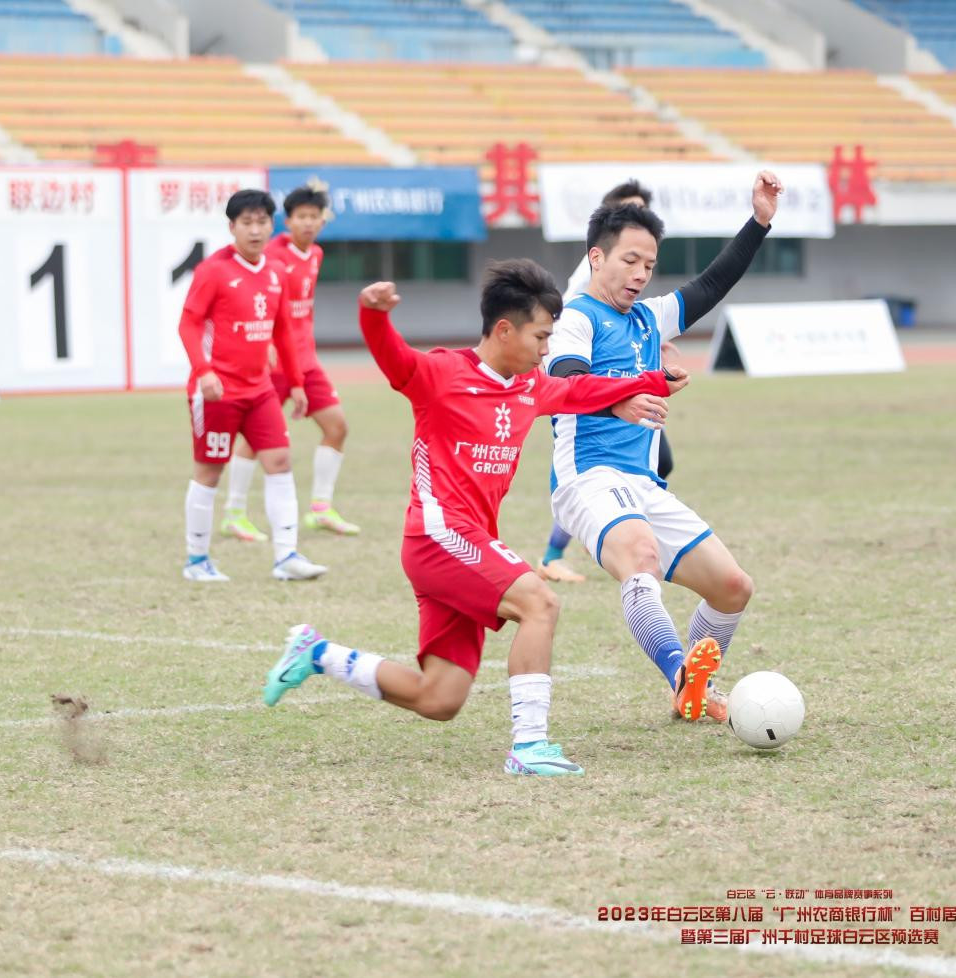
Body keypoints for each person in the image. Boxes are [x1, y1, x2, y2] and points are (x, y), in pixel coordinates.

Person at [263, 261, 689, 776]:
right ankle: (529, 747)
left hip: (465, 547)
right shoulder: (442, 374)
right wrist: (372, 316)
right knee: (541, 602)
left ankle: (318, 654)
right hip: (439, 538)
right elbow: (394, 359)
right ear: (504, 330)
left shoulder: (530, 386)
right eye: (541, 336)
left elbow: (583, 392)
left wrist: (656, 381)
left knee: (439, 698)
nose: (546, 349)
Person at [545, 171, 783, 722]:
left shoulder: (650, 318)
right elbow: (565, 384)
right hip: (589, 479)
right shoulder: (575, 317)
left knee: (733, 588)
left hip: (644, 484)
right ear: (596, 258)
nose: (640, 274)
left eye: (649, 265)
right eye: (629, 260)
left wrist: (760, 223)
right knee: (642, 560)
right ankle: (682, 677)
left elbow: (712, 284)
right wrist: (625, 399)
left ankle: (692, 690)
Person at [177, 188, 326, 583]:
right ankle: (196, 561)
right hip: (217, 391)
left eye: (262, 222)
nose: (256, 231)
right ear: (232, 227)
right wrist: (204, 371)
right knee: (210, 471)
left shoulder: (276, 273)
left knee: (280, 462)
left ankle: (287, 556)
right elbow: (188, 323)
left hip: (260, 389)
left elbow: (284, 331)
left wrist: (295, 383)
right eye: (247, 223)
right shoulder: (213, 271)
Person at [542, 179, 668, 583]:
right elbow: (571, 356)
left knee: (659, 461)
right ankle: (560, 549)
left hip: (617, 383)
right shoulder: (587, 287)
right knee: (585, 472)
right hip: (584, 382)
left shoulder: (630, 283)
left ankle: (587, 536)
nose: (640, 271)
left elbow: (624, 325)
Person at [220, 185, 361, 540]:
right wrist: (265, 343)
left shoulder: (316, 254)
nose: (309, 223)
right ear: (289, 220)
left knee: (337, 426)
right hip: (273, 364)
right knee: (254, 439)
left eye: (315, 217)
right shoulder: (273, 255)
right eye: (302, 217)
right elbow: (259, 301)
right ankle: (234, 513)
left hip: (305, 362)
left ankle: (320, 508)